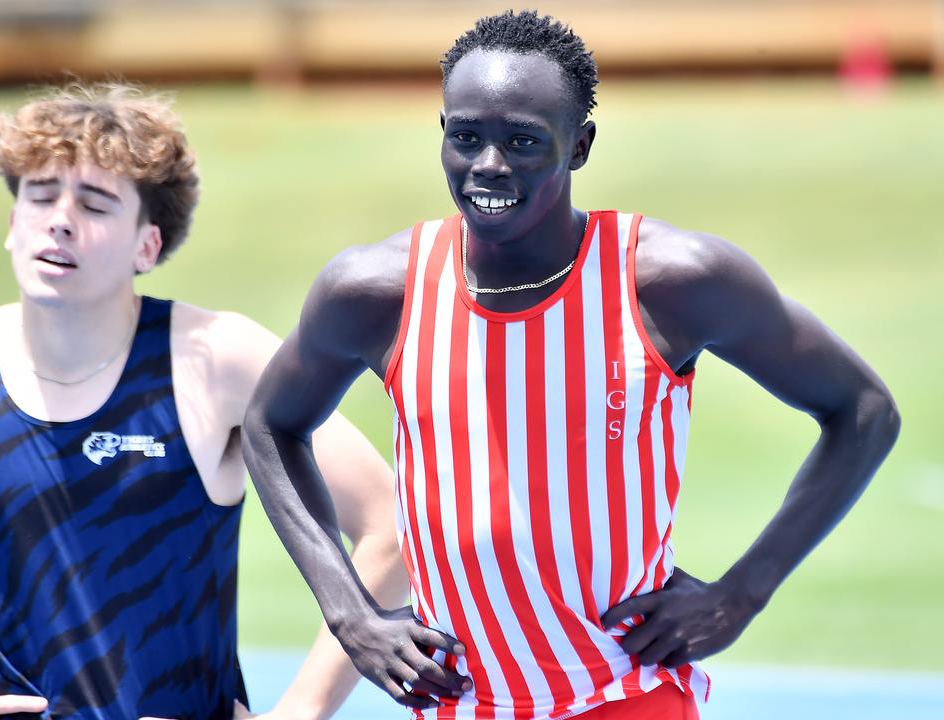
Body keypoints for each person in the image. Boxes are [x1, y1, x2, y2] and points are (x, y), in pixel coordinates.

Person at [242, 10, 900, 720]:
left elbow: (863, 410)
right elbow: (269, 426)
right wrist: (350, 614)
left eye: (523, 141)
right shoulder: (377, 292)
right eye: (466, 137)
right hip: (459, 705)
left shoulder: (669, 282)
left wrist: (743, 592)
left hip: (626, 695)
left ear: (579, 145)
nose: (488, 164)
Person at [0, 84, 408, 720]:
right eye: (40, 196)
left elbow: (392, 522)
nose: (59, 218)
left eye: (95, 204)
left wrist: (300, 710)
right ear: (12, 224)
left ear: (148, 244)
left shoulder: (219, 358)